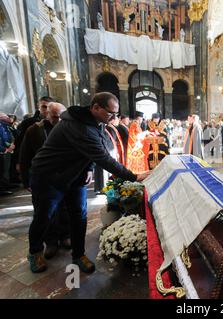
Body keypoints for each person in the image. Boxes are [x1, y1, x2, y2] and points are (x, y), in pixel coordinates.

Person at [28, 92, 151, 274]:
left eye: (116, 114)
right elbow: (102, 157)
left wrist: (88, 169)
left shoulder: (96, 122)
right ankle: (35, 252)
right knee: (44, 216)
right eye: (111, 113)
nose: (114, 118)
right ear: (95, 108)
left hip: (74, 176)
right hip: (49, 177)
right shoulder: (77, 126)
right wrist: (134, 176)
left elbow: (96, 149)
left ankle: (78, 255)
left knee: (79, 215)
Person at [19, 103, 71, 258]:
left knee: (64, 209)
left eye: (61, 116)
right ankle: (50, 242)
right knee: (45, 214)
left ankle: (65, 235)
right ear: (47, 114)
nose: (58, 120)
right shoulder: (34, 130)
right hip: (43, 178)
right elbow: (25, 156)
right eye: (55, 117)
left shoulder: (68, 128)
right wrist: (26, 180)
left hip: (64, 177)